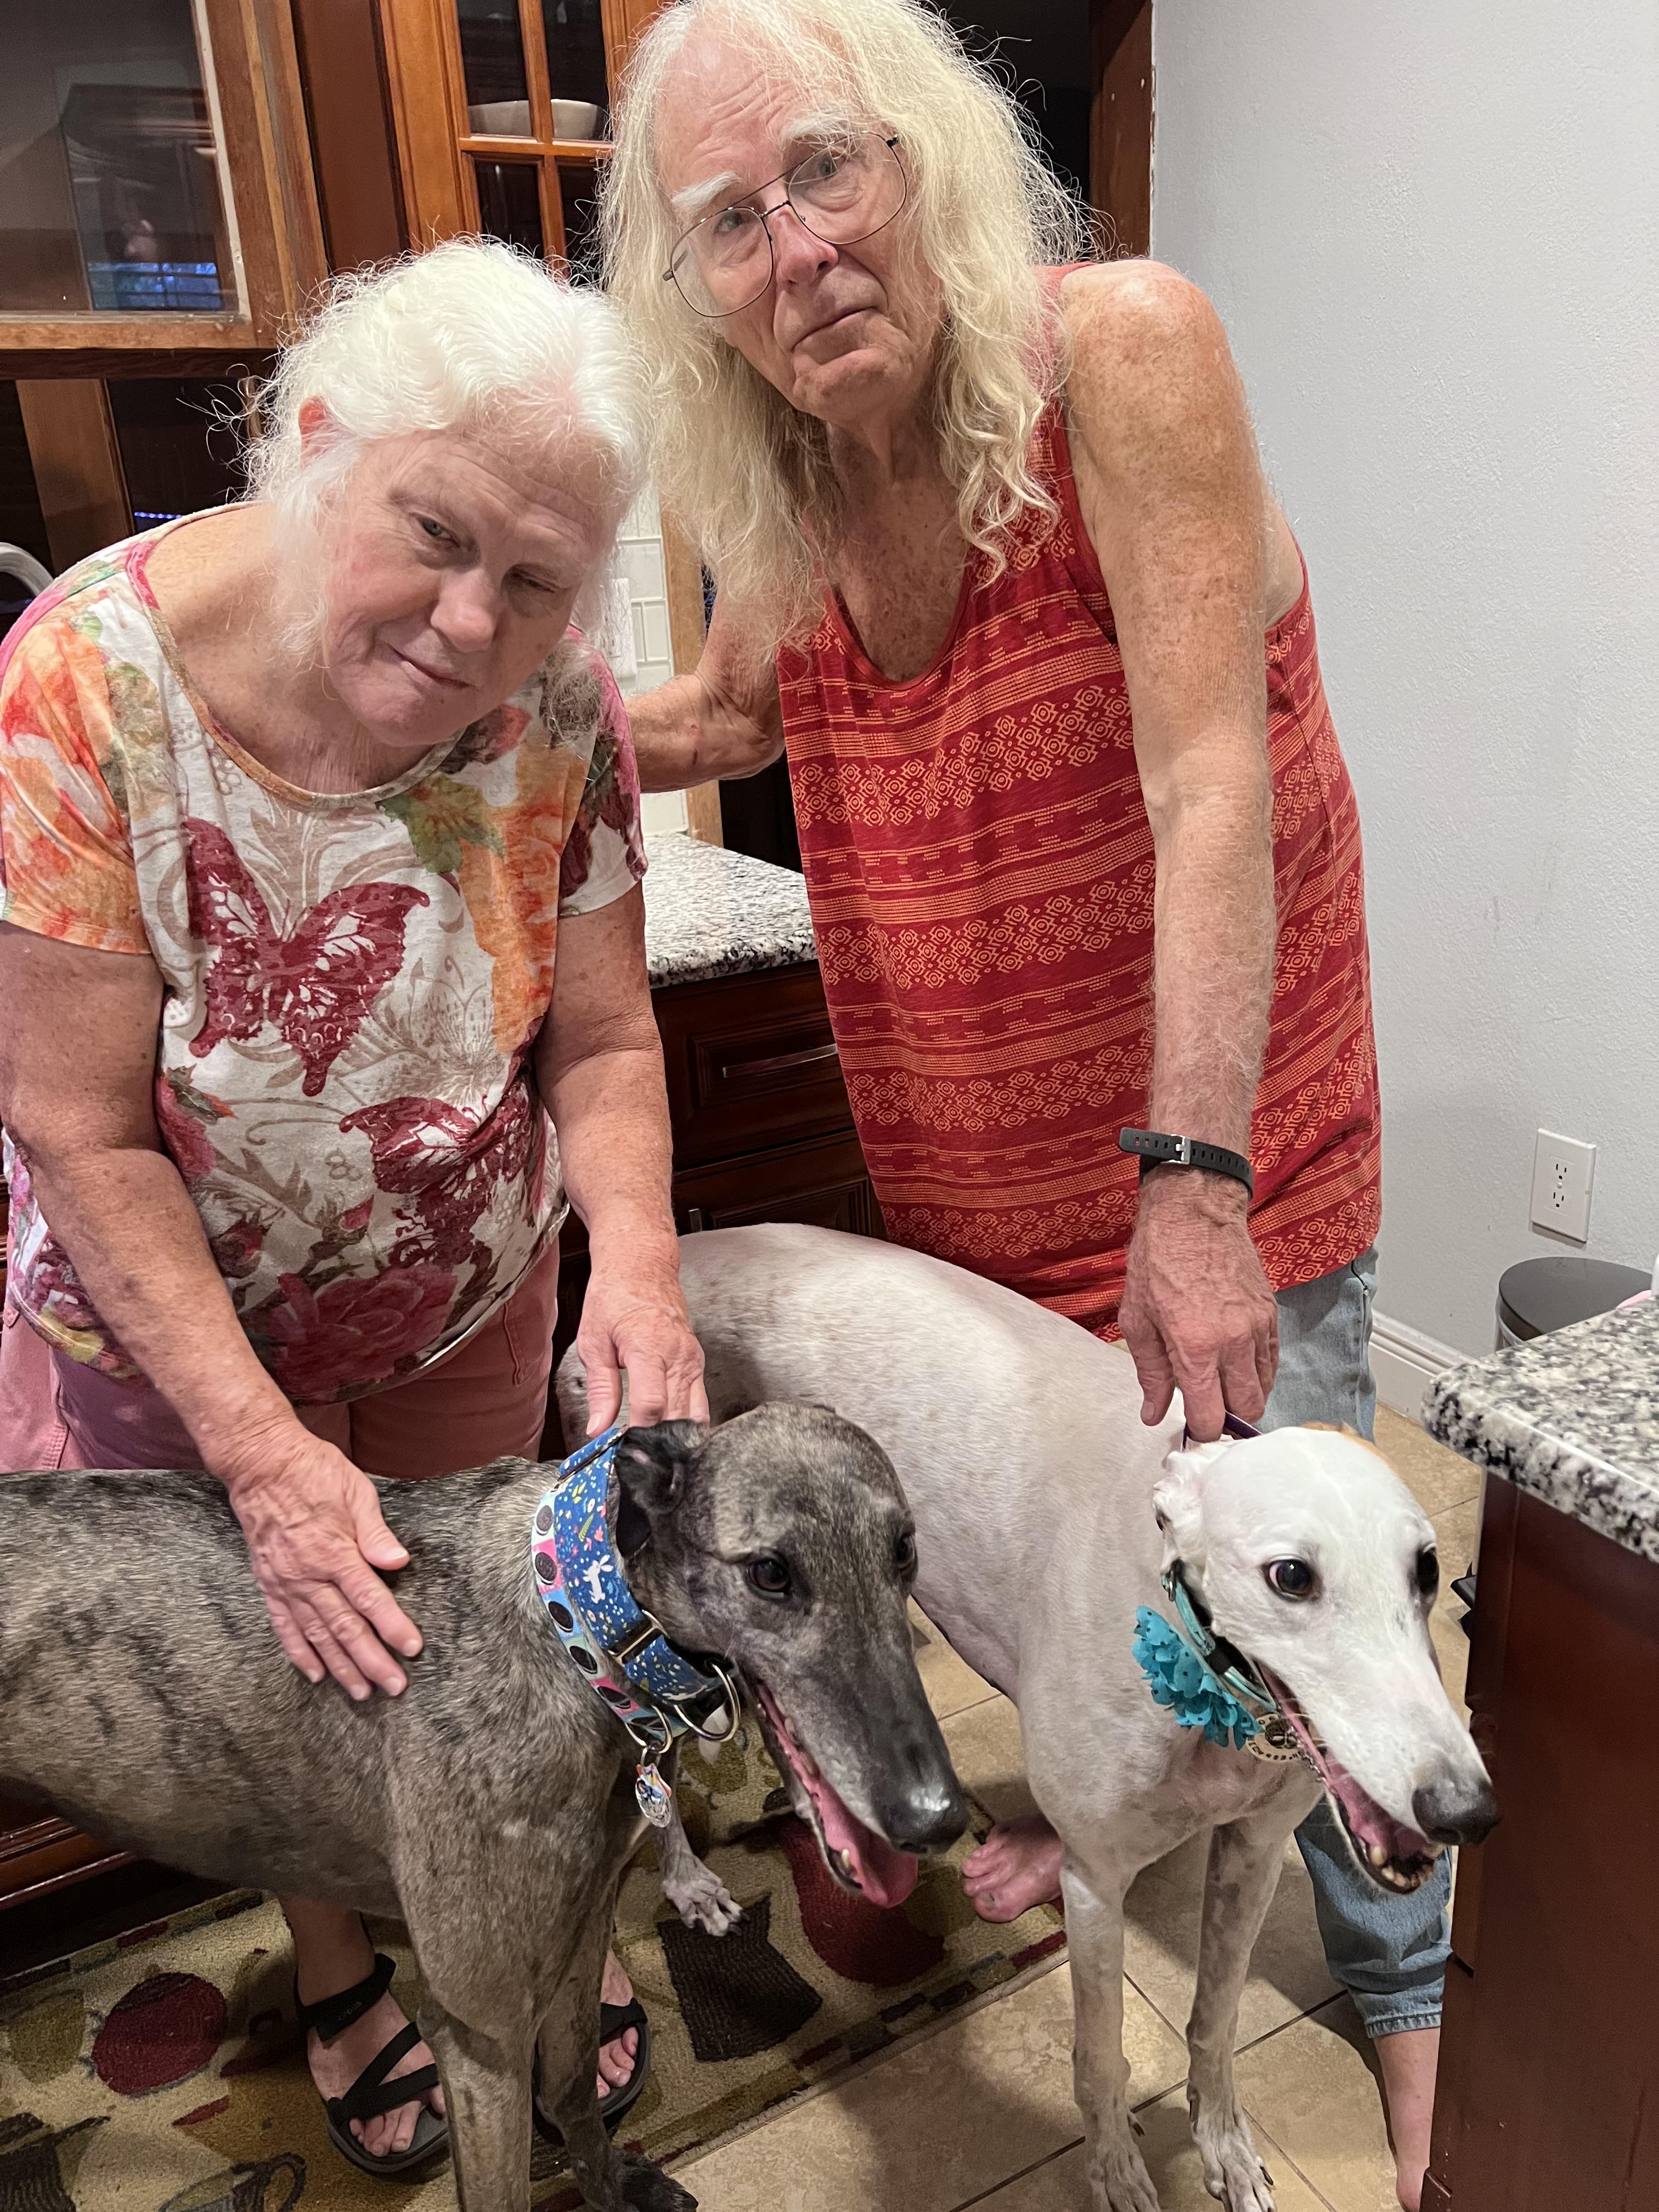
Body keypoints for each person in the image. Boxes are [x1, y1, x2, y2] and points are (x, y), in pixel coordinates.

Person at [603, 4, 1444, 2203]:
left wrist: (1193, 1182)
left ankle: (1445, 2091)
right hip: (969, 1190)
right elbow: (694, 711)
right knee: (1089, 1621)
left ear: (931, 162)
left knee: (1317, 1626)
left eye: (826, 170)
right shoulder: (776, 484)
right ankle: (1079, 1820)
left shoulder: (1121, 355)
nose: (795, 249)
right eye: (728, 221)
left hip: (1212, 1168)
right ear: (694, 289)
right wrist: (414, 668)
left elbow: (1209, 781)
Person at [0, 242, 705, 2174]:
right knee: (307, 1689)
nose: (474, 622)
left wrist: (632, 1268)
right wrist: (258, 1455)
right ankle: (343, 1965)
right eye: (433, 534)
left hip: (470, 1293)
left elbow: (610, 1040)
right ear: (316, 452)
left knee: (522, 1637)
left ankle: (533, 1918)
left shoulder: (561, 711)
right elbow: (78, 1126)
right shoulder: (84, 680)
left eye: (537, 579)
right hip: (185, 1328)